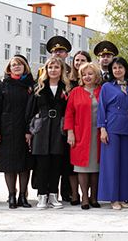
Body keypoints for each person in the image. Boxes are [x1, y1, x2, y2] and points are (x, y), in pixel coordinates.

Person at [0, 55, 35, 209]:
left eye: (20, 64)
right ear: (9, 68)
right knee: (9, 165)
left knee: (24, 164)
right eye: (13, 65)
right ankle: (11, 196)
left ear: (25, 67)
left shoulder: (31, 85)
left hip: (25, 130)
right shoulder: (3, 85)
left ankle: (23, 195)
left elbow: (34, 110)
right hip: (7, 130)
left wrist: (30, 130)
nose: (16, 67)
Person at [27, 57, 69, 209]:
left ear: (61, 70)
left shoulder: (66, 87)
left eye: (56, 67)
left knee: (56, 163)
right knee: (42, 164)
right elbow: (30, 110)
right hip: (41, 128)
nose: (53, 70)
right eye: (50, 67)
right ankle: (42, 195)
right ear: (46, 69)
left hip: (58, 127)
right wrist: (28, 132)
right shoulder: (38, 86)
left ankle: (53, 195)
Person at [97, 56, 128, 210]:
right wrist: (102, 129)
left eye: (120, 67)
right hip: (111, 127)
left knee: (125, 164)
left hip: (127, 128)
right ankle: (113, 198)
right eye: (114, 68)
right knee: (111, 164)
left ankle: (123, 196)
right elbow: (101, 108)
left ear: (125, 69)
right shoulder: (107, 87)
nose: (118, 70)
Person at [65, 62, 103, 209]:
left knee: (96, 167)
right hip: (80, 133)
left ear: (96, 75)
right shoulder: (76, 92)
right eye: (84, 74)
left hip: (98, 134)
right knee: (81, 168)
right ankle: (84, 198)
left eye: (90, 74)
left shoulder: (102, 90)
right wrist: (70, 133)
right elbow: (69, 113)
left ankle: (94, 198)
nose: (87, 77)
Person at [63, 50, 91, 204]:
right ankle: (72, 194)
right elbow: (68, 110)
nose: (79, 63)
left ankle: (88, 195)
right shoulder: (68, 81)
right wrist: (69, 131)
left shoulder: (95, 85)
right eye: (77, 60)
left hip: (88, 129)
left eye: (82, 60)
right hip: (72, 129)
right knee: (70, 164)